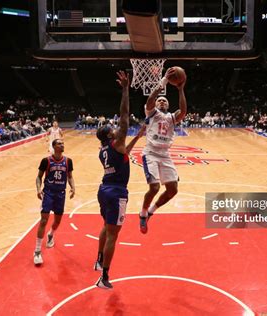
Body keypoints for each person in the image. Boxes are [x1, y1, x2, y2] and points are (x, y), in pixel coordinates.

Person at [94, 71, 145, 289]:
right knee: (114, 234)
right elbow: (124, 115)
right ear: (110, 135)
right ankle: (104, 277)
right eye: (113, 129)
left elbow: (125, 153)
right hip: (116, 192)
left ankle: (98, 260)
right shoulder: (115, 142)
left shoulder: (105, 149)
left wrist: (137, 137)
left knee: (106, 226)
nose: (117, 128)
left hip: (104, 189)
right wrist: (125, 89)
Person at [139, 68, 187, 234]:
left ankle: (152, 210)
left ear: (168, 105)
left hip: (165, 155)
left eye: (165, 101)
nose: (161, 102)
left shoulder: (172, 118)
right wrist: (164, 81)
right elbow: (150, 99)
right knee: (154, 188)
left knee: (173, 190)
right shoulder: (152, 112)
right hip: (150, 153)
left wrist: (180, 89)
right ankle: (143, 213)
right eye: (160, 101)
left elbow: (184, 111)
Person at [33, 139, 75, 265]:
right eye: (59, 144)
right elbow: (39, 177)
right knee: (44, 220)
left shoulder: (68, 161)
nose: (62, 145)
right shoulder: (46, 160)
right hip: (48, 193)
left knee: (57, 221)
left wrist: (73, 187)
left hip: (61, 194)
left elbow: (70, 176)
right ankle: (37, 251)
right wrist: (39, 189)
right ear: (54, 146)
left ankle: (51, 234)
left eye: (63, 143)